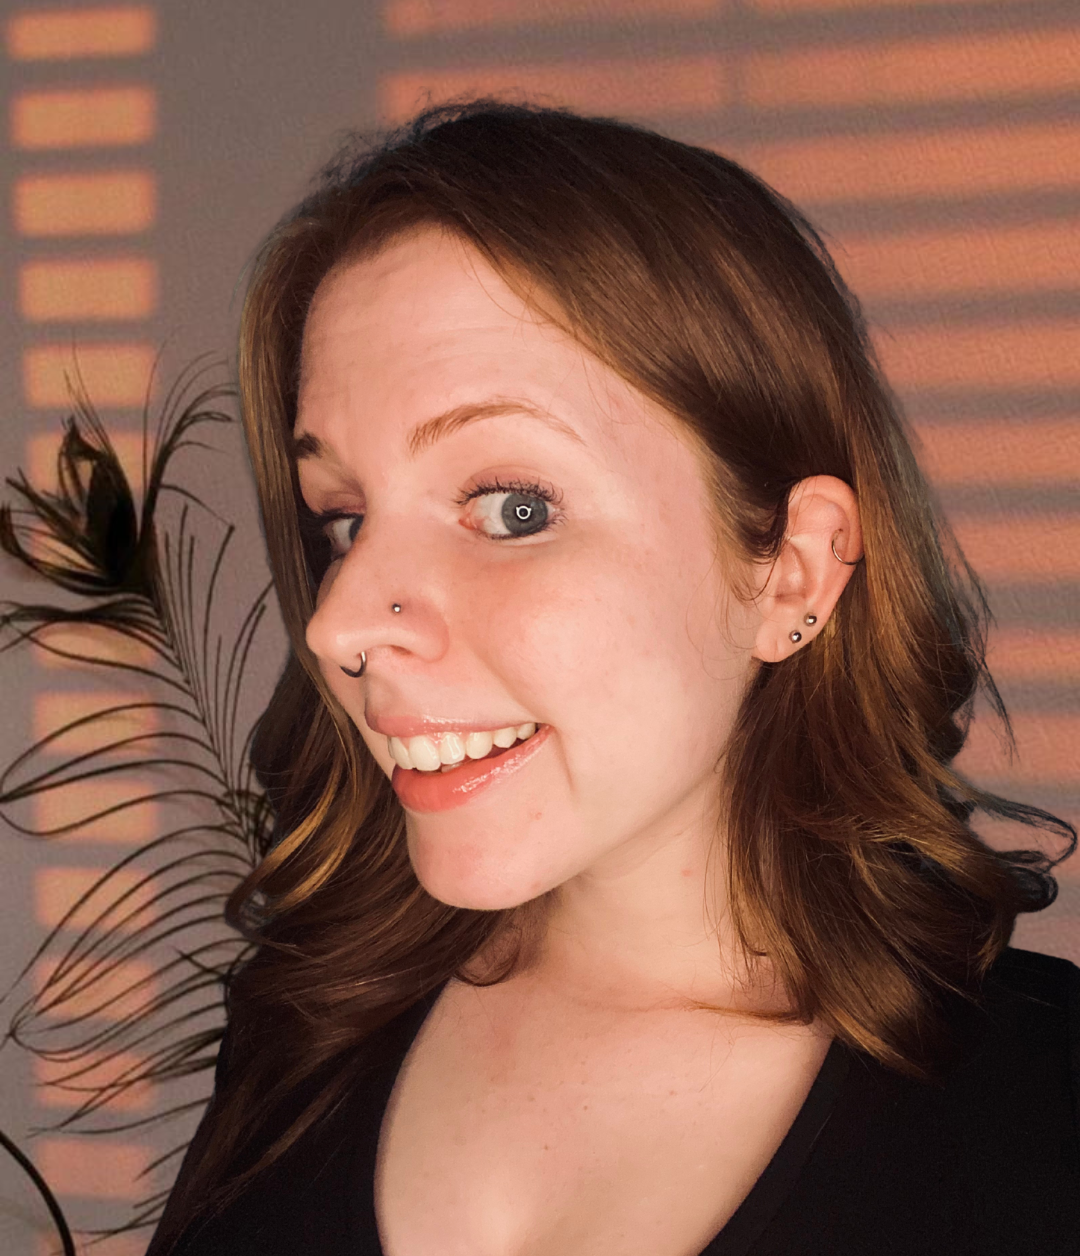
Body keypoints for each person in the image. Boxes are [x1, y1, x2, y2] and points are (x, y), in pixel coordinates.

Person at [147, 99, 1080, 1256]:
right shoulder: (303, 1033)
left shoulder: (1044, 1122)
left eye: (513, 508)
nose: (339, 624)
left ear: (789, 575)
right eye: (344, 519)